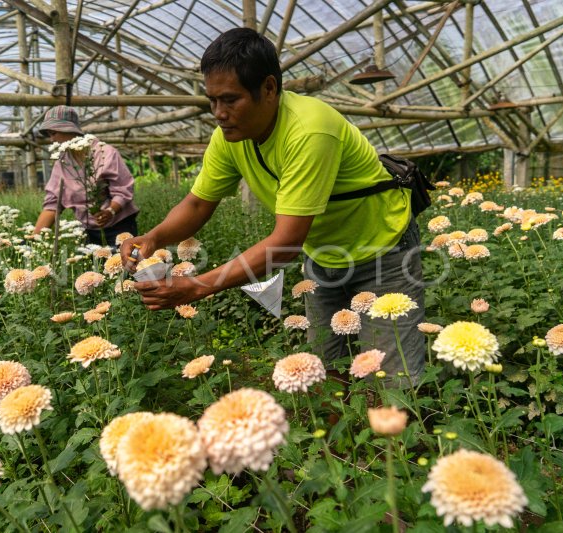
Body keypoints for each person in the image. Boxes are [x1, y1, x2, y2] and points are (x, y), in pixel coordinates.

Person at [120, 28, 425, 380]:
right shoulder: (229, 137)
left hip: (382, 250)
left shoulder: (309, 130)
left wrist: (198, 286)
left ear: (268, 88)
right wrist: (154, 238)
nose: (219, 113)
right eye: (212, 101)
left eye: (230, 99)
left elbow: (284, 244)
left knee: (392, 376)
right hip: (323, 253)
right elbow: (197, 205)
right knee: (321, 371)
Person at [33, 106, 139, 246]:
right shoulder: (62, 163)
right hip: (89, 231)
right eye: (49, 135)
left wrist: (110, 211)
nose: (52, 139)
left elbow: (122, 189)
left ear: (69, 130)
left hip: (119, 227)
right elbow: (52, 205)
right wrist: (34, 238)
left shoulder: (104, 152)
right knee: (93, 266)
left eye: (53, 133)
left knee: (126, 265)